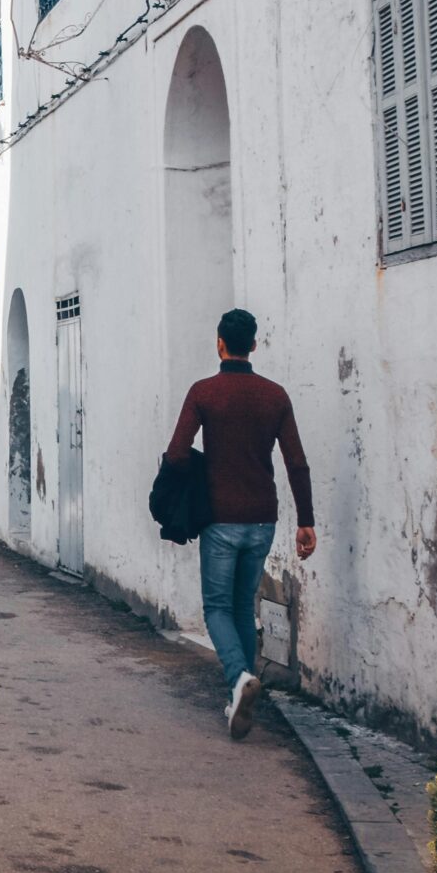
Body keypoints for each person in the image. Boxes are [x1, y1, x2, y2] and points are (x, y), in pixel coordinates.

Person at [164, 307, 315, 740]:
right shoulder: (275, 395)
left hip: (220, 519)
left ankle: (237, 679)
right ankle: (239, 701)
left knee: (216, 608)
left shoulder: (204, 392)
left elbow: (177, 453)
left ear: (219, 343)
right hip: (262, 520)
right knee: (243, 609)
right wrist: (306, 521)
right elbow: (296, 461)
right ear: (253, 344)